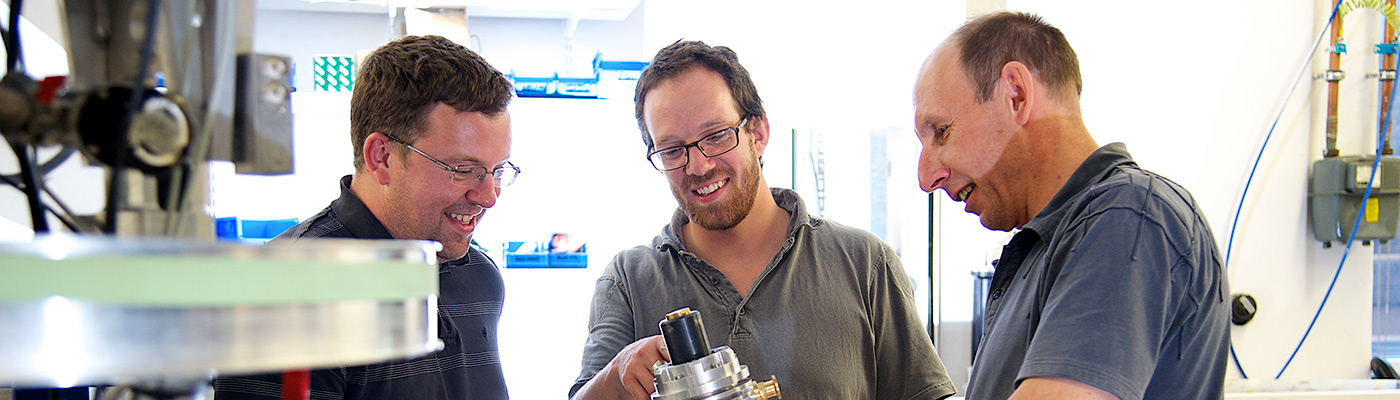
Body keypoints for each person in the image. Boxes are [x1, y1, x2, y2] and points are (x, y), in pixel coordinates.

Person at [569, 40, 956, 400]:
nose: (699, 165)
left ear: (758, 132)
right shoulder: (628, 281)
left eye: (717, 135)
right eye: (672, 151)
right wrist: (618, 374)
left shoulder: (865, 264)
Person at [912, 12, 1229, 400]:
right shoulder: (1043, 250)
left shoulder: (1129, 216)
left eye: (942, 132)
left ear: (1016, 95)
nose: (927, 177)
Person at [213, 35, 518, 400]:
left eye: (498, 169)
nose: (488, 196)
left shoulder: (478, 274)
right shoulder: (286, 291)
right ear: (382, 157)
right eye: (462, 169)